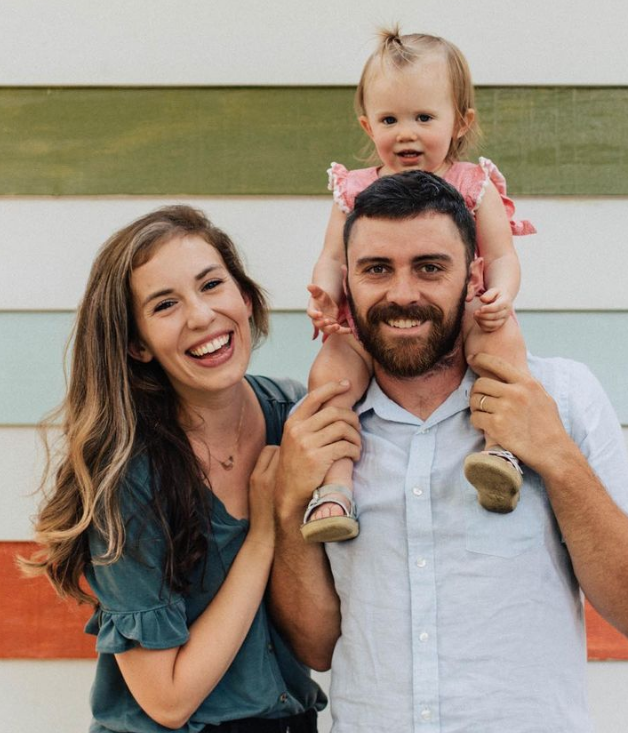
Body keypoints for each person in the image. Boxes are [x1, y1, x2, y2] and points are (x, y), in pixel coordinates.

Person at [269, 171, 628, 733]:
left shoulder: (562, 397)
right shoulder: (316, 427)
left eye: (430, 267)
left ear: (474, 276)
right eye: (376, 269)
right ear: (348, 283)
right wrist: (291, 507)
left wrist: (555, 456)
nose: (402, 293)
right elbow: (316, 648)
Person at [20, 205, 360, 733]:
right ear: (137, 344)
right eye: (165, 305)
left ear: (244, 297)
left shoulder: (290, 418)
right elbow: (168, 700)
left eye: (212, 285)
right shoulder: (128, 477)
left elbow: (319, 645)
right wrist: (265, 533)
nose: (201, 316)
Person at [301, 28, 536, 543]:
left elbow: (500, 255)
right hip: (376, 322)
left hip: (465, 310)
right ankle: (336, 489)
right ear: (367, 124)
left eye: (423, 118)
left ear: (460, 123)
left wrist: (502, 294)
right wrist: (325, 295)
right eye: (389, 120)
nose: (405, 133)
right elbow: (331, 257)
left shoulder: (473, 183)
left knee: (501, 347)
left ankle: (499, 450)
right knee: (332, 378)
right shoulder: (356, 189)